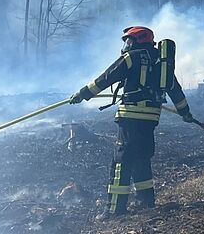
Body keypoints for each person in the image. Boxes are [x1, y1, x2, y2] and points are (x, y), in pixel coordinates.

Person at [69, 26, 193, 216]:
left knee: (122, 161)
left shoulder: (131, 58)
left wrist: (82, 94)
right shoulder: (161, 63)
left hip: (130, 117)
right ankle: (146, 202)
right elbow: (175, 90)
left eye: (129, 41)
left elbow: (105, 78)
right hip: (151, 118)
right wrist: (185, 112)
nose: (127, 45)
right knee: (141, 158)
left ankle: (115, 209)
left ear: (138, 40)